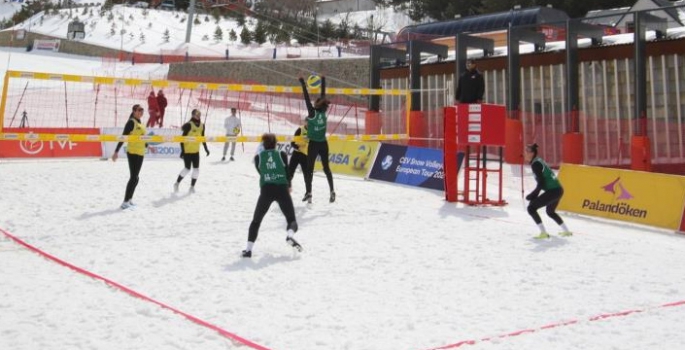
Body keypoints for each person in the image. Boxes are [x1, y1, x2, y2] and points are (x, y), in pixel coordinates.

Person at [242, 133, 301, 258]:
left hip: (266, 190)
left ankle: (248, 250)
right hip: (282, 189)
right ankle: (290, 235)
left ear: (263, 144)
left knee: (256, 221)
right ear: (276, 144)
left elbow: (261, 172)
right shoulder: (282, 155)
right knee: (291, 219)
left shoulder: (258, 158)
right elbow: (287, 172)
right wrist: (289, 184)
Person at [298, 75, 335, 203]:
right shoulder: (324, 113)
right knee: (326, 168)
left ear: (316, 104)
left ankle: (309, 192)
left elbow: (306, 97)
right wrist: (323, 80)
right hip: (323, 144)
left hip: (314, 144)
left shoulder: (312, 113)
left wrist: (302, 82)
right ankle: (332, 191)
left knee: (309, 170)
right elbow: (323, 96)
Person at [524, 143, 572, 239]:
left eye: (527, 151)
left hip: (553, 191)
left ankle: (543, 233)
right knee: (550, 212)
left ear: (532, 153)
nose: (525, 153)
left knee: (531, 208)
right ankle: (566, 231)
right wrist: (534, 194)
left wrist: (533, 195)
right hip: (558, 190)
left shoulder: (536, 164)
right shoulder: (537, 161)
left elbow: (541, 182)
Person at [111, 104, 147, 209]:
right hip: (133, 152)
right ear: (134, 111)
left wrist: (148, 145)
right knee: (133, 177)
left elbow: (142, 138)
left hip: (140, 152)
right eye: (139, 110)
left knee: (136, 178)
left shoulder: (140, 123)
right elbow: (123, 137)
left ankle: (130, 199)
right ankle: (125, 202)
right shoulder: (131, 122)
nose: (141, 112)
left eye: (142, 110)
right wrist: (116, 151)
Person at [173, 109, 210, 193]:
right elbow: (182, 139)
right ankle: (177, 183)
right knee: (187, 169)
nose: (198, 116)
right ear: (192, 115)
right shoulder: (188, 125)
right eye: (196, 114)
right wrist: (182, 151)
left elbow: (202, 138)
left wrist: (206, 148)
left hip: (196, 151)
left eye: (199, 114)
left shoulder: (202, 125)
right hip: (187, 151)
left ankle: (192, 187)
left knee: (196, 170)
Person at [288, 121, 312, 202]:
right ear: (305, 122)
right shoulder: (300, 129)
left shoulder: (312, 132)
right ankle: (286, 193)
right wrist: (298, 148)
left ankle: (309, 194)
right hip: (296, 154)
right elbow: (292, 142)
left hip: (305, 156)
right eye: (308, 123)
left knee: (307, 175)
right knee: (290, 173)